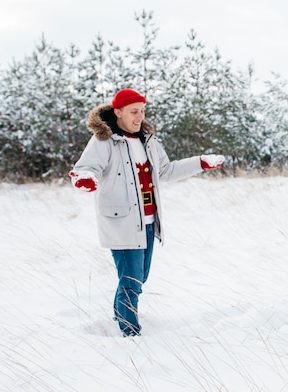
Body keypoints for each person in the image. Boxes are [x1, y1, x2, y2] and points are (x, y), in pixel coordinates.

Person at [69, 88, 224, 337]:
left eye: (142, 111)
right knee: (132, 281)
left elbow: (165, 171)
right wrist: (86, 177)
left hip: (149, 221)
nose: (139, 116)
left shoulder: (148, 140)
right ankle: (130, 332)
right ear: (118, 112)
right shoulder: (104, 140)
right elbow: (88, 166)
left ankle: (119, 315)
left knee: (138, 278)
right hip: (122, 222)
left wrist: (200, 162)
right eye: (133, 111)